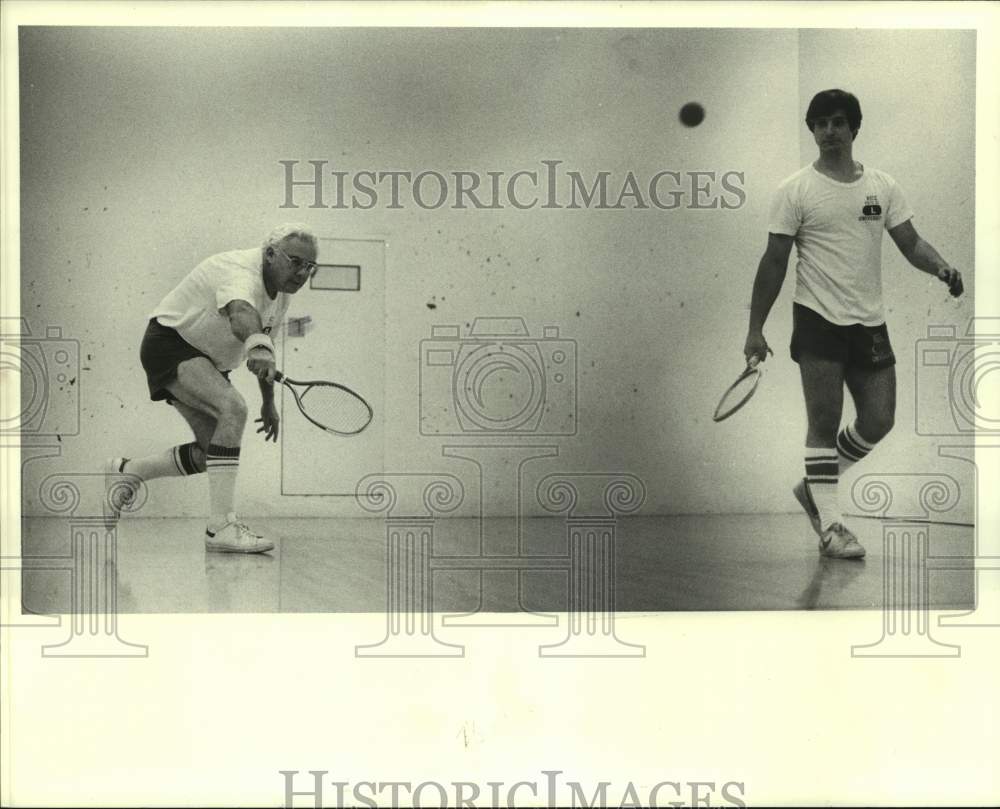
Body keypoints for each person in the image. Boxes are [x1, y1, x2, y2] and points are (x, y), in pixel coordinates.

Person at [744, 89, 964, 559]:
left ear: (854, 128)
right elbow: (773, 262)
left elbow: (910, 241)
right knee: (824, 423)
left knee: (879, 420)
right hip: (817, 317)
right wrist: (754, 329)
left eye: (838, 122)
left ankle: (813, 489)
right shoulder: (794, 190)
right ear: (813, 131)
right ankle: (832, 524)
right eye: (820, 124)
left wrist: (942, 267)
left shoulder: (882, 186)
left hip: (869, 322)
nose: (829, 132)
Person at [103, 224, 319, 553]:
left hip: (207, 361)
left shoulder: (282, 297)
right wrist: (257, 347)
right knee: (233, 409)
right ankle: (220, 528)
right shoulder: (240, 272)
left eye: (309, 266)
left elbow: (265, 343)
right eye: (295, 261)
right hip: (171, 343)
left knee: (212, 454)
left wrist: (268, 402)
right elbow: (241, 315)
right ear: (270, 253)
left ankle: (128, 471)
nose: (302, 272)